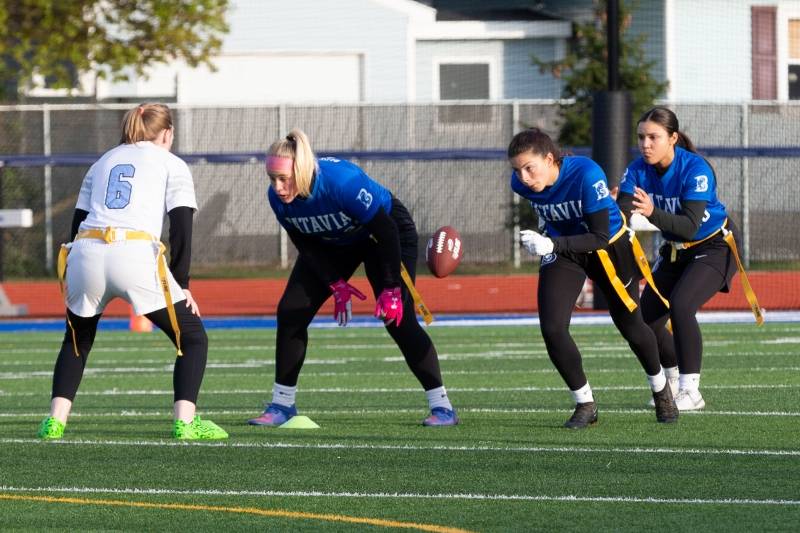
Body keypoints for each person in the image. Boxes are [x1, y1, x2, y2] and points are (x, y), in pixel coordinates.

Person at [37, 103, 227, 440]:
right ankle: (185, 423)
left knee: (77, 340)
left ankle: (55, 422)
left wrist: (74, 269)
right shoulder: (171, 163)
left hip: (86, 250)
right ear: (167, 133)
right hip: (135, 253)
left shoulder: (102, 161)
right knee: (193, 338)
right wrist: (182, 285)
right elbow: (182, 225)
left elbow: (78, 221)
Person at [247, 128, 458, 427]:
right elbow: (305, 244)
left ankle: (442, 407)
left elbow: (386, 231)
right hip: (332, 242)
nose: (278, 187)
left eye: (284, 179)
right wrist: (335, 282)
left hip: (382, 235)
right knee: (291, 311)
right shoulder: (279, 199)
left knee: (397, 319)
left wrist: (390, 289)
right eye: (273, 179)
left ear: (303, 169)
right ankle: (282, 405)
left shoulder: (341, 182)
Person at [508, 128, 678, 428]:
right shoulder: (521, 185)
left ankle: (661, 390)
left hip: (608, 247)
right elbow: (551, 215)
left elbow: (599, 235)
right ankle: (585, 403)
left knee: (630, 325)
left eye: (529, 168)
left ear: (550, 160)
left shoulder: (586, 174)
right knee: (552, 328)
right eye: (517, 170)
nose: (522, 177)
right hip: (564, 250)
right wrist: (546, 236)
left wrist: (551, 243)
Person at [617, 106, 762, 411]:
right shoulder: (636, 169)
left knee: (682, 306)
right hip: (675, 251)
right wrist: (610, 206)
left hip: (714, 246)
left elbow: (689, 225)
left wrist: (651, 212)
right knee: (647, 321)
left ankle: (691, 390)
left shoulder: (695, 168)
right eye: (641, 137)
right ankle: (670, 381)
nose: (645, 144)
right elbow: (621, 213)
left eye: (653, 137)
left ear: (672, 138)